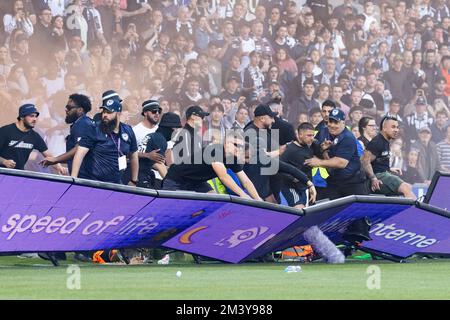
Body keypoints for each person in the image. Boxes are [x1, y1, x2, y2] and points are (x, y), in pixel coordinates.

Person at [163, 131, 262, 200]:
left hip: (197, 183)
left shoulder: (233, 158)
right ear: (226, 143)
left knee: (215, 202)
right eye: (235, 145)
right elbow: (224, 177)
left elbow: (246, 181)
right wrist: (243, 195)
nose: (238, 148)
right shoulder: (215, 150)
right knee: (171, 211)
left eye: (240, 146)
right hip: (176, 180)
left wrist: (258, 199)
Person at [71, 98, 139, 185]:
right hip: (94, 182)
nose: (104, 115)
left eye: (109, 112)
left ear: (118, 113)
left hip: (116, 183)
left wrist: (134, 180)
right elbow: (80, 153)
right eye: (104, 112)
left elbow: (134, 155)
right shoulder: (94, 129)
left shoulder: (128, 130)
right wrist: (73, 179)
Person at [304, 108, 369, 199]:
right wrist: (322, 150)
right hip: (334, 181)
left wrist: (319, 162)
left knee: (358, 211)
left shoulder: (348, 137)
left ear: (343, 123)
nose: (332, 125)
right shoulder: (323, 132)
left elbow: (341, 163)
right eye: (330, 121)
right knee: (329, 209)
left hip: (352, 183)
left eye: (336, 122)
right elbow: (314, 149)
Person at [0, 103, 65, 174]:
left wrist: (59, 167)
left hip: (18, 174)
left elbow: (48, 155)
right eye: (31, 116)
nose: (35, 119)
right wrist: (4, 161)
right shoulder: (5, 131)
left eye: (36, 116)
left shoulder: (35, 136)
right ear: (21, 117)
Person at [361, 116, 417, 199]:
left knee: (408, 187)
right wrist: (373, 178)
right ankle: (417, 211)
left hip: (383, 173)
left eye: (397, 127)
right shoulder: (377, 141)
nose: (396, 130)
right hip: (378, 177)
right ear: (384, 128)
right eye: (393, 127)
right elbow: (364, 161)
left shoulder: (385, 141)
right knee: (406, 188)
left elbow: (376, 161)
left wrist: (389, 168)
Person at [40, 94, 93, 173]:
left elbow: (79, 149)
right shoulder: (82, 123)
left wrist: (55, 159)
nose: (66, 110)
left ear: (80, 110)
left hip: (83, 176)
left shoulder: (82, 124)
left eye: (69, 107)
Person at [278, 122, 320, 208]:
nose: (312, 138)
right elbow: (278, 168)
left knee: (307, 212)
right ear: (300, 134)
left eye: (313, 135)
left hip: (305, 186)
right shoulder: (289, 149)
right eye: (309, 135)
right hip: (291, 186)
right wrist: (293, 178)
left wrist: (323, 149)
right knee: (299, 209)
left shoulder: (313, 145)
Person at [137, 112, 182, 189]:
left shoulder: (153, 136)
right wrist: (172, 184)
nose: (177, 131)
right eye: (177, 128)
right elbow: (158, 165)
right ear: (172, 128)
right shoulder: (160, 140)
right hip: (142, 178)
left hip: (139, 175)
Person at [133, 99, 165, 188]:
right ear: (145, 113)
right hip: (143, 176)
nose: (157, 114)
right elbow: (128, 153)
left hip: (161, 176)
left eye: (159, 111)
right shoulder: (135, 131)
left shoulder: (161, 130)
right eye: (154, 111)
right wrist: (147, 155)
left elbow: (168, 151)